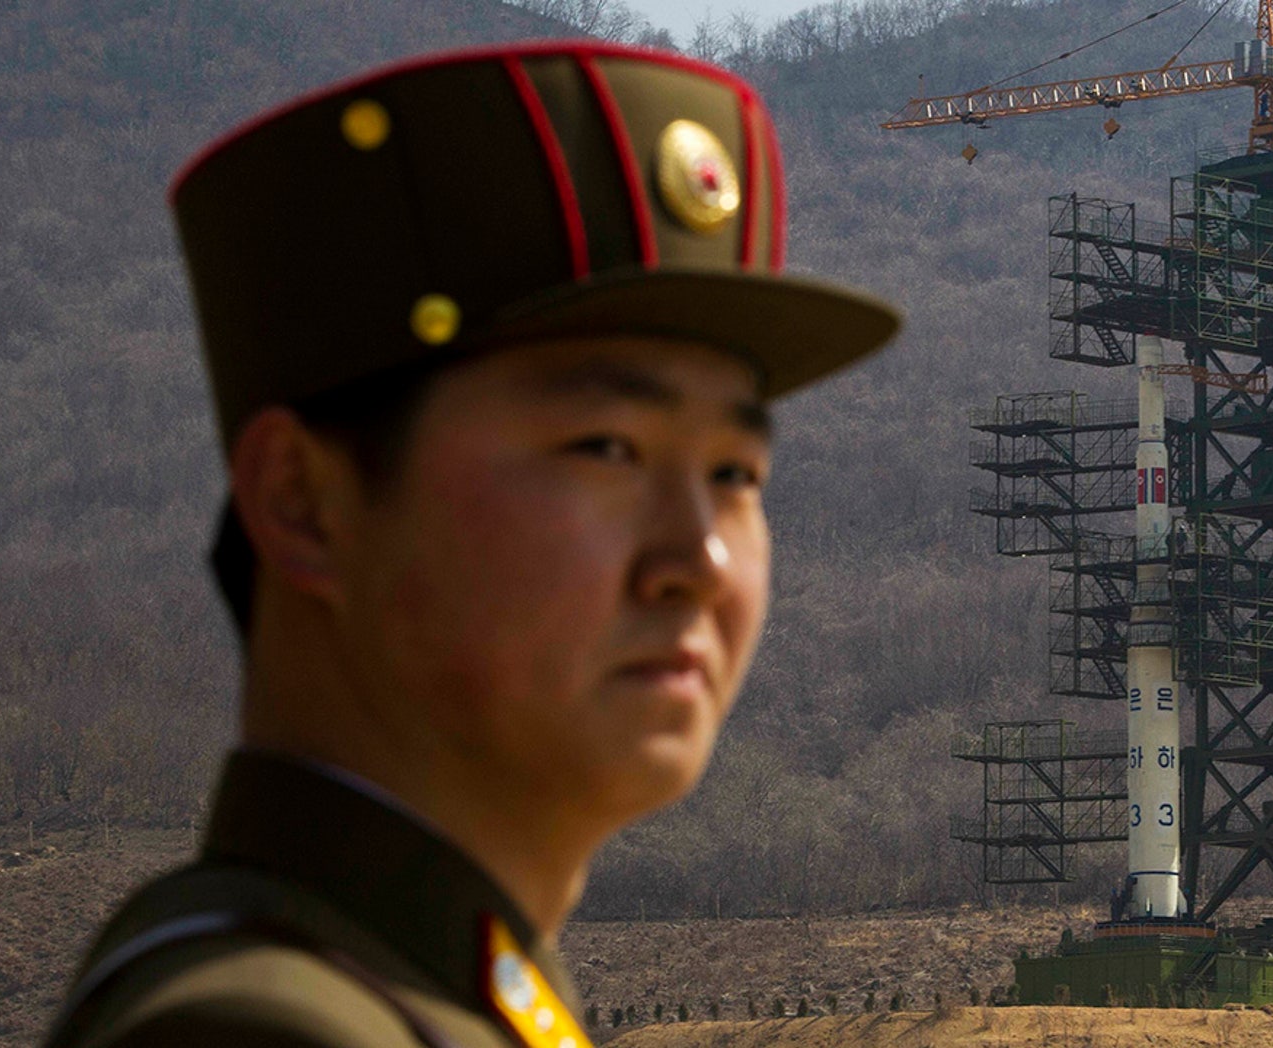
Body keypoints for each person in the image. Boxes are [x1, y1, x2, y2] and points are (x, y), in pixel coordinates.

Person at [44, 40, 899, 1048]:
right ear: (302, 502)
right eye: (605, 448)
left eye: (734, 475)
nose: (698, 561)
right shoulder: (262, 1027)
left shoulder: (432, 998)